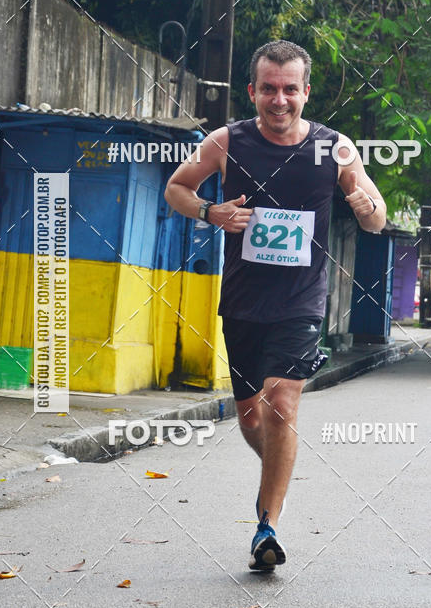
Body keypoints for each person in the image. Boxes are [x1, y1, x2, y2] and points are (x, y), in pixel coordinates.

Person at [164, 40, 386, 571]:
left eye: (290, 89)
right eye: (269, 89)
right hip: (242, 301)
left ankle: (267, 525)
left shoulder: (334, 149)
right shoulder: (227, 141)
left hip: (300, 301)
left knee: (282, 403)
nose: (279, 100)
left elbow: (376, 218)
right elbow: (176, 187)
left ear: (306, 92)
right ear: (253, 91)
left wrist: (366, 205)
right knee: (250, 417)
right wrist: (209, 211)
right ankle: (278, 473)